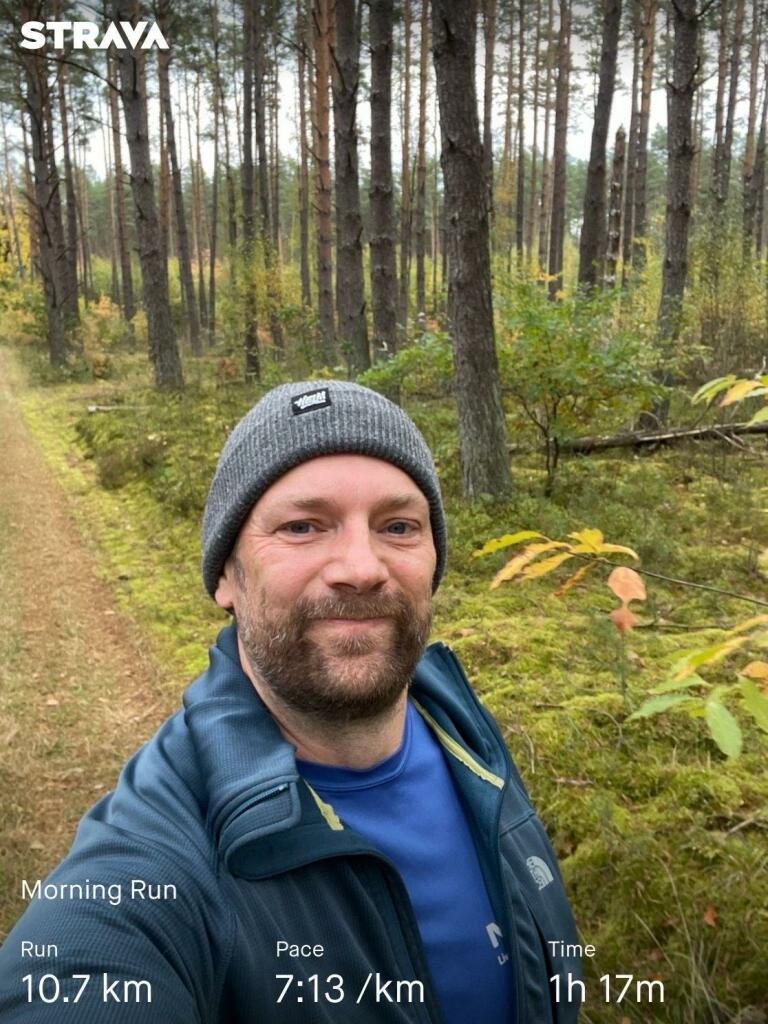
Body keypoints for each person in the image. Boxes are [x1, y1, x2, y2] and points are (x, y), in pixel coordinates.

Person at [0, 381, 581, 1022]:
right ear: (227, 574)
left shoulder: (466, 734)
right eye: (302, 527)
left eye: (398, 526)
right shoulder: (159, 854)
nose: (361, 567)